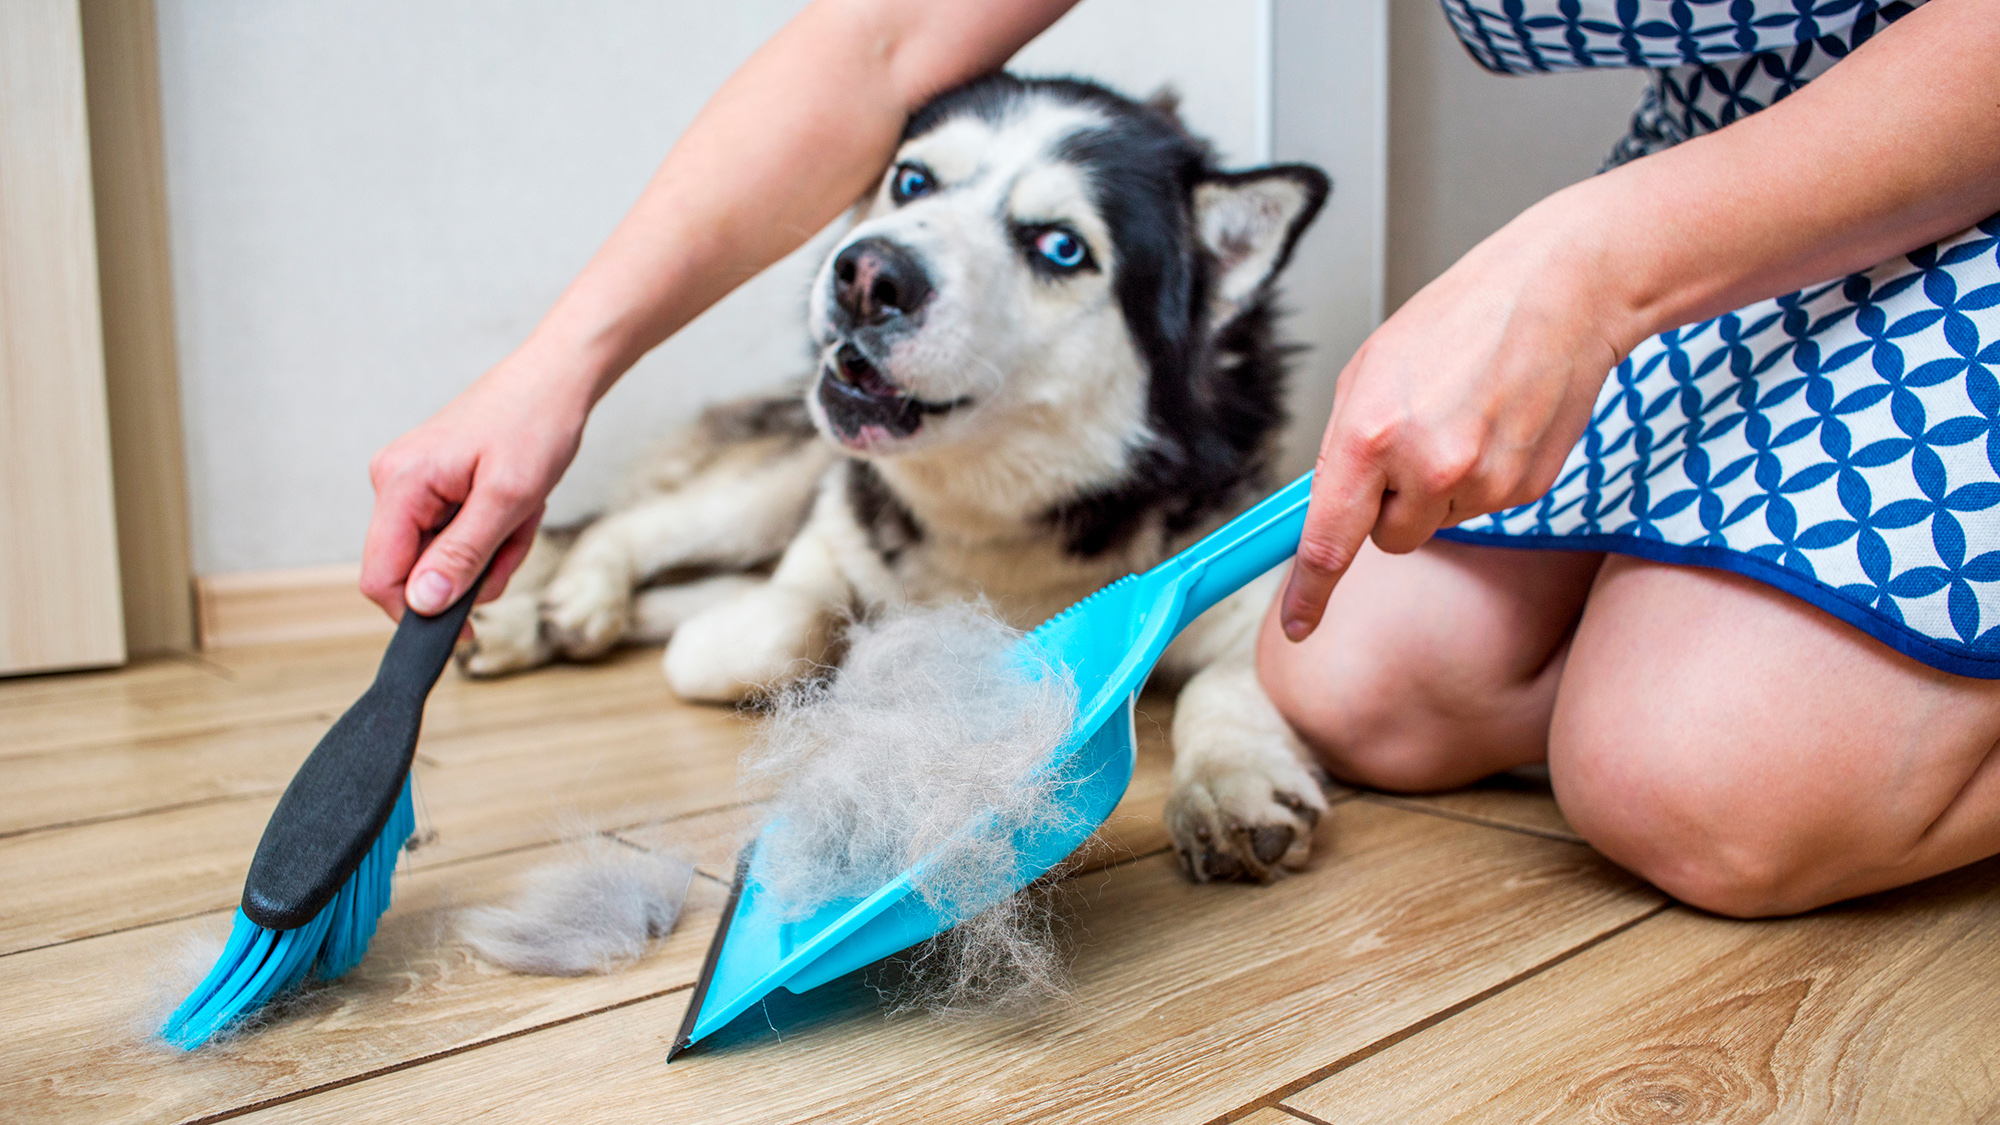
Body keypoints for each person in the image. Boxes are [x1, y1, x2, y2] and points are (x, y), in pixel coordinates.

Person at [361, 0, 2000, 918]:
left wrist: (1588, 269)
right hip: (1743, 167)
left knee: (1704, 785)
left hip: (1947, 146)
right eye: (912, 196)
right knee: (1365, 686)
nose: (896, 258)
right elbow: (883, 43)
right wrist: (559, 365)